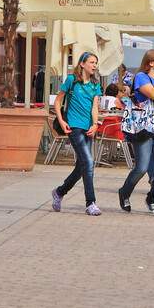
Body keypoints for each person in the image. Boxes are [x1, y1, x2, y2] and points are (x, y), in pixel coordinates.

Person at [116, 49, 154, 216]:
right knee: (141, 167)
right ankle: (124, 192)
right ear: (150, 63)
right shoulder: (141, 77)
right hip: (144, 127)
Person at [50, 51, 104, 215]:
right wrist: (61, 120)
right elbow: (58, 101)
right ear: (82, 64)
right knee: (88, 162)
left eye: (96, 62)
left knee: (82, 166)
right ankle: (91, 203)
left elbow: (95, 107)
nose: (94, 65)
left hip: (88, 128)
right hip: (74, 127)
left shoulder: (95, 85)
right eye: (91, 62)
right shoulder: (72, 81)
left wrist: (95, 124)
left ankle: (59, 192)